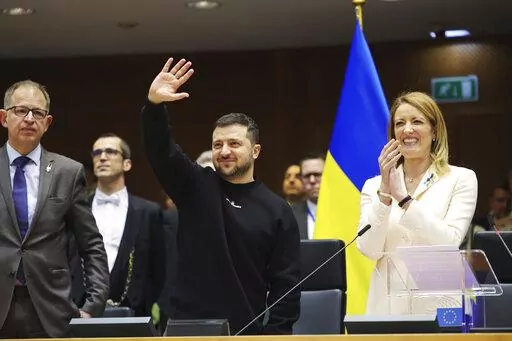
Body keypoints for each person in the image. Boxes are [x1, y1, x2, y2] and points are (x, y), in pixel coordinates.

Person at [141, 57, 300, 335]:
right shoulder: (196, 186)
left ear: (256, 151)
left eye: (234, 143)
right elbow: (162, 153)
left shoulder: (277, 210)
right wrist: (155, 106)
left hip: (245, 332)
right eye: (217, 144)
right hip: (185, 329)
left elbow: (286, 286)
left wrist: (273, 336)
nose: (224, 151)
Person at [0, 80, 109, 338]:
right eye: (21, 111)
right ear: (4, 118)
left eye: (37, 113)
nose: (29, 119)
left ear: (47, 123)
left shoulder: (67, 172)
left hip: (51, 311)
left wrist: (92, 306)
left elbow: (91, 244)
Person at [356, 91, 478, 315]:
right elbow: (368, 249)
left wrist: (404, 200)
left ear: (434, 132)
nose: (407, 129)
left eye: (417, 121)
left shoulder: (460, 179)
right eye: (400, 123)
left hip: (440, 306)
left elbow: (449, 242)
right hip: (387, 306)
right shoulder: (373, 185)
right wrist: (385, 192)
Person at [73, 133, 165, 317]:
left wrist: (148, 304)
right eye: (97, 152)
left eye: (111, 152)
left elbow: (159, 267)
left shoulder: (149, 212)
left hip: (135, 312)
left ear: (127, 164)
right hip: (79, 310)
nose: (102, 157)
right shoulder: (76, 208)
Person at [291, 153, 325, 239]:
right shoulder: (290, 215)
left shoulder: (344, 212)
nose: (312, 180)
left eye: (317, 174)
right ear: (301, 179)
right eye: (307, 176)